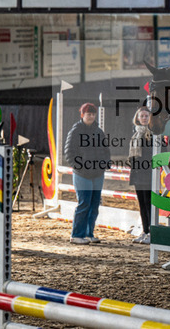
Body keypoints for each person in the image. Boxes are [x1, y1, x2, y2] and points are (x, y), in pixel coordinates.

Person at [64, 102, 111, 245]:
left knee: (94, 204)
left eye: (92, 114)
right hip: (82, 174)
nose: (90, 116)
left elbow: (106, 150)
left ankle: (89, 233)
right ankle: (76, 235)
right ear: (82, 115)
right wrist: (79, 167)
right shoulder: (75, 131)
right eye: (88, 114)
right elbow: (69, 152)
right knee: (84, 203)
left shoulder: (99, 131)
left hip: (97, 173)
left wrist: (105, 164)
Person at [128, 106, 154, 244]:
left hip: (149, 174)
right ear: (137, 118)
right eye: (142, 116)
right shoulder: (136, 134)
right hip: (138, 174)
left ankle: (151, 232)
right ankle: (145, 230)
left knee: (149, 204)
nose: (144, 118)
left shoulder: (154, 134)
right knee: (142, 204)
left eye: (146, 116)